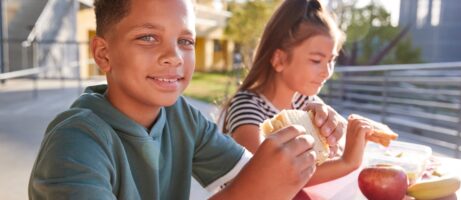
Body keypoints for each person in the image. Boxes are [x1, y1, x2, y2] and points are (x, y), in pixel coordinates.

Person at [28, 0, 373, 199]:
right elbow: (252, 187)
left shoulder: (182, 118)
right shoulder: (75, 144)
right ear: (103, 54)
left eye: (186, 41)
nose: (174, 56)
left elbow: (259, 173)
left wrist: (309, 137)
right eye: (148, 37)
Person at [223, 0, 369, 184]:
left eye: (331, 60)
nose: (327, 71)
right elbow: (269, 176)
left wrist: (335, 139)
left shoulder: (306, 102)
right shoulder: (247, 107)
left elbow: (330, 154)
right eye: (316, 60)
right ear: (279, 60)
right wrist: (347, 162)